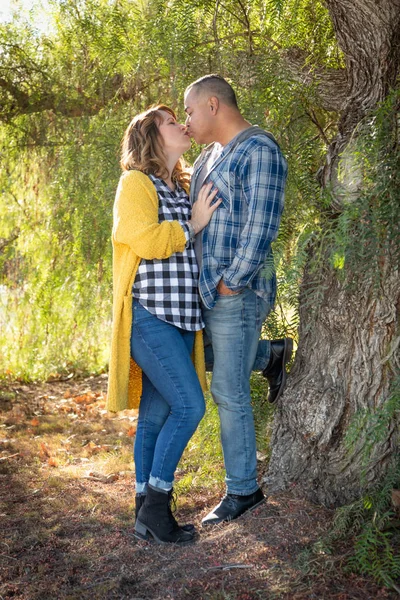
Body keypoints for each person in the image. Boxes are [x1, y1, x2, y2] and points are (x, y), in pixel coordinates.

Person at [106, 104, 221, 545]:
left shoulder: (180, 185)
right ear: (152, 136)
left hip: (181, 320)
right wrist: (192, 224)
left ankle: (144, 514)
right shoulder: (135, 183)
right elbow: (146, 240)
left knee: (155, 417)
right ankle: (157, 505)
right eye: (172, 121)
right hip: (148, 316)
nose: (181, 124)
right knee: (190, 405)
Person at [184, 75, 291, 526]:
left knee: (228, 392)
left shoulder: (258, 149)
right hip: (206, 291)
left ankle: (244, 490)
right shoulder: (209, 157)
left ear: (213, 105)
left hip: (237, 292)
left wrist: (233, 282)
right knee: (191, 357)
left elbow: (262, 228)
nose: (186, 121)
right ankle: (271, 355)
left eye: (188, 112)